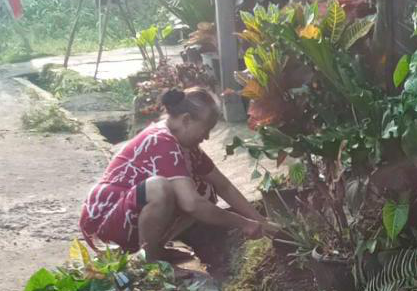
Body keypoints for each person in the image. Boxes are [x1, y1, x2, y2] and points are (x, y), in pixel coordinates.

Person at [80, 87, 278, 266]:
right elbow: (191, 204)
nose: (207, 137)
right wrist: (243, 223)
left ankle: (154, 250)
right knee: (161, 189)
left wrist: (261, 222)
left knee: (205, 191)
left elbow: (222, 185)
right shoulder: (161, 141)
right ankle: (150, 263)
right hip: (103, 223)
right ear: (186, 120)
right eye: (206, 129)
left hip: (125, 219)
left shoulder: (187, 146)